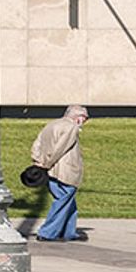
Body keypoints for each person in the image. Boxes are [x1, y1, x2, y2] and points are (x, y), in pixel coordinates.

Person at [27, 103, 88, 242]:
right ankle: (48, 232)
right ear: (78, 117)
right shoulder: (71, 127)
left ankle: (68, 232)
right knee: (63, 200)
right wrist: (48, 163)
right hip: (65, 171)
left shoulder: (51, 125)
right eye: (85, 118)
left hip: (49, 171)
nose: (85, 122)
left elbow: (37, 144)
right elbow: (61, 148)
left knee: (68, 201)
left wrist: (39, 163)